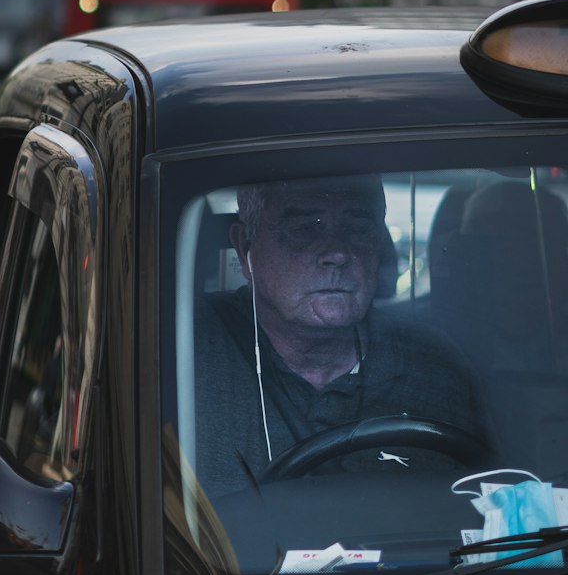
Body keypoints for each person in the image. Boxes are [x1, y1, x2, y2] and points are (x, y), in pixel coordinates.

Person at [194, 174, 495, 490]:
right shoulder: (188, 350)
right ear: (245, 249)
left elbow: (493, 503)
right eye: (305, 229)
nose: (337, 253)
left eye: (357, 229)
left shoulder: (434, 369)